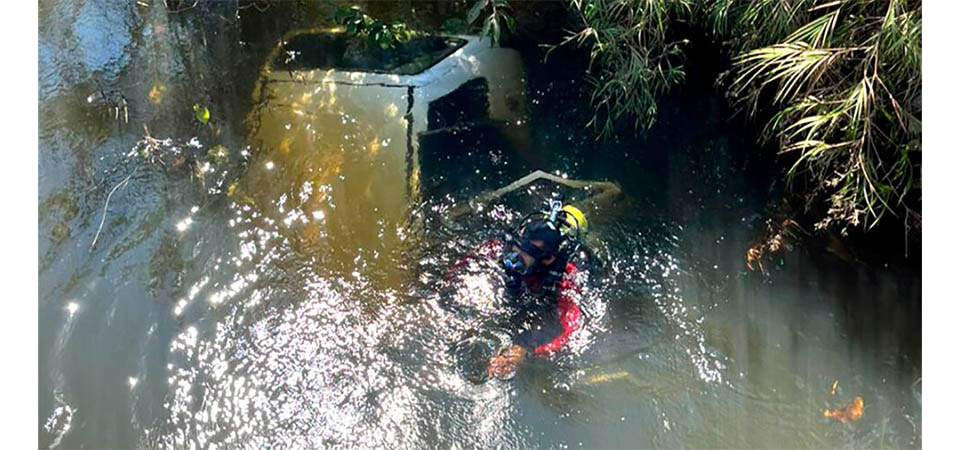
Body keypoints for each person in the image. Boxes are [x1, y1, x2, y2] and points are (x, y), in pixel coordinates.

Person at [487, 202, 586, 379]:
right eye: (512, 251)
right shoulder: (497, 249)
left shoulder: (565, 279)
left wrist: (525, 351)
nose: (511, 261)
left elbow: (570, 330)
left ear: (547, 260)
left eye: (520, 258)